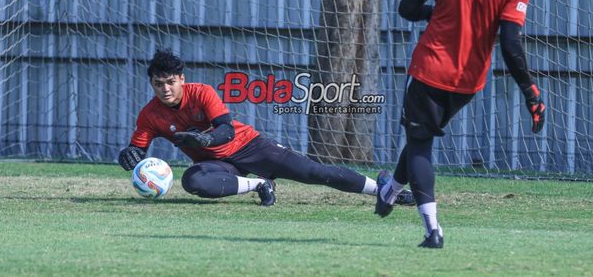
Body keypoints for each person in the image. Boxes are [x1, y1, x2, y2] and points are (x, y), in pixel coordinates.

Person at [375, 0, 546, 248]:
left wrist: (432, 12)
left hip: (429, 71)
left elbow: (407, 8)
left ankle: (432, 230)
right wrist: (531, 93)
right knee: (419, 136)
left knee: (420, 146)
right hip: (468, 83)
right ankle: (390, 191)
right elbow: (512, 46)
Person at [118, 48, 415, 208]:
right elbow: (137, 149)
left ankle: (386, 190)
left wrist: (202, 138)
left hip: (250, 146)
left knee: (315, 172)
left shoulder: (202, 92)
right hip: (217, 165)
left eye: (171, 82)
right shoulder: (149, 114)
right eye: (159, 84)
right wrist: (128, 157)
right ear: (152, 83)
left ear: (182, 79)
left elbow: (226, 131)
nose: (165, 89)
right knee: (193, 182)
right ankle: (260, 185)